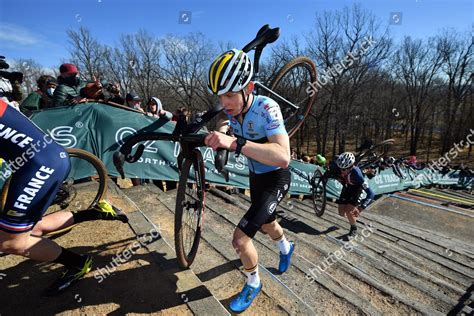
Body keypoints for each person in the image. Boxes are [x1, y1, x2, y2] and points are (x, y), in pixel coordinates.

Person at [0, 99, 128, 295]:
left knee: (10, 242)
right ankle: (95, 213)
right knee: (29, 228)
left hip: (38, 165)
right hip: (43, 160)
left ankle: (77, 264)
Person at [204, 49, 294, 313]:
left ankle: (254, 282)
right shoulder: (232, 107)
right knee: (267, 223)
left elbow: (283, 156)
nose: (225, 101)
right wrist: (220, 133)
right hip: (256, 177)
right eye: (220, 95)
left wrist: (234, 143)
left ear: (249, 88)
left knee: (240, 239)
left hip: (276, 177)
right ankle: (286, 247)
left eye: (230, 94)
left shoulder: (267, 108)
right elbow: (223, 118)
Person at [333, 152, 375, 237]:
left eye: (344, 169)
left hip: (357, 188)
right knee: (341, 213)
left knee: (349, 211)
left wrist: (361, 208)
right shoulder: (339, 165)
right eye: (341, 168)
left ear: (351, 167)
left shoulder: (357, 175)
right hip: (347, 187)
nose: (342, 171)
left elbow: (371, 194)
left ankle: (353, 228)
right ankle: (352, 217)